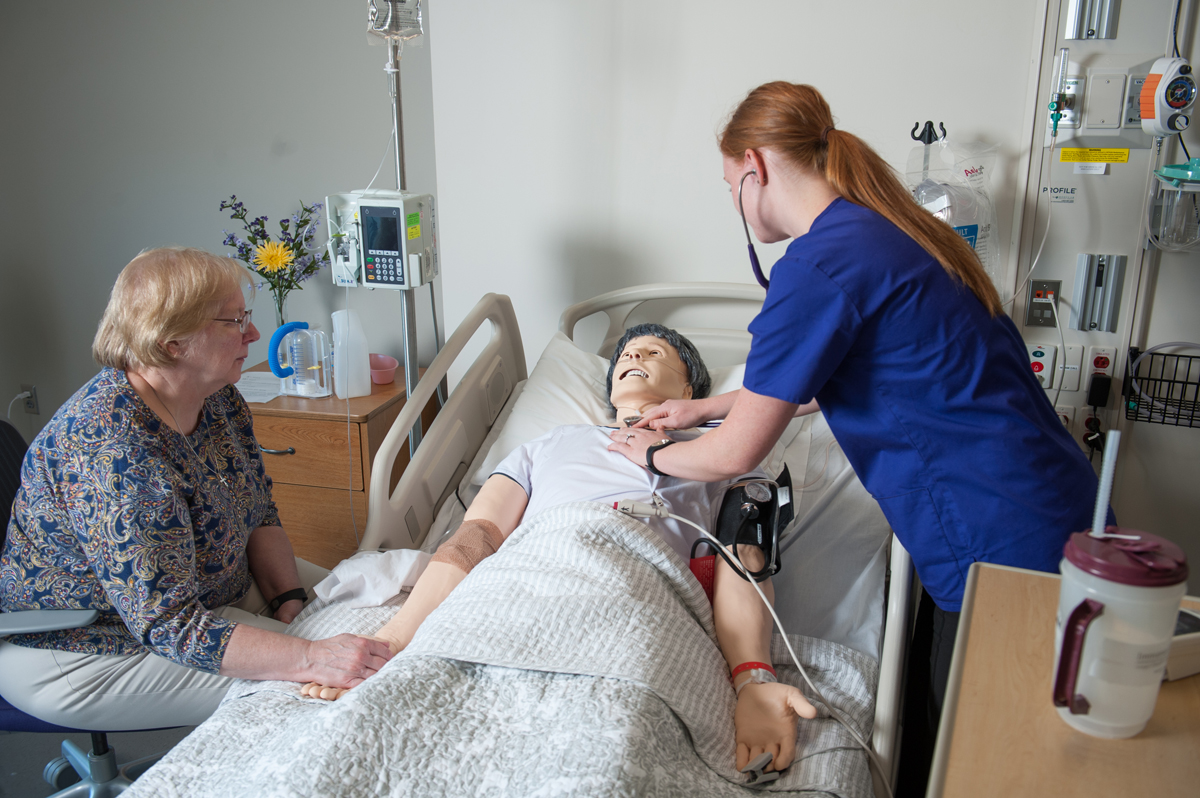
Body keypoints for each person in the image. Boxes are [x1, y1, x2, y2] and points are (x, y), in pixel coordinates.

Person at [603, 82, 1106, 795]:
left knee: (1000, 763)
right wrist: (701, 408)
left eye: (729, 187)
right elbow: (824, 377)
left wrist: (649, 450)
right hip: (1045, 501)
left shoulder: (817, 266)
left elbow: (735, 456)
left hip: (1003, 538)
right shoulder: (882, 229)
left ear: (755, 165)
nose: (735, 204)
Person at [302, 323, 818, 775]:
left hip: (635, 599)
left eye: (655, 352)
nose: (634, 357)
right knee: (385, 732)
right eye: (626, 356)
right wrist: (393, 640)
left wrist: (753, 678)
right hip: (521, 584)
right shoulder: (549, 445)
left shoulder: (722, 451)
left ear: (689, 388)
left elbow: (742, 556)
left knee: (610, 746)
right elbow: (475, 538)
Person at [0, 247, 392, 731]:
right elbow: (168, 624)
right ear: (172, 344)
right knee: (326, 696)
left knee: (380, 611)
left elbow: (260, 512)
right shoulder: (112, 452)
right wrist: (310, 656)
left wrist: (288, 598)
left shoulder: (219, 397)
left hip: (211, 594)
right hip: (94, 649)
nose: (253, 334)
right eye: (234, 322)